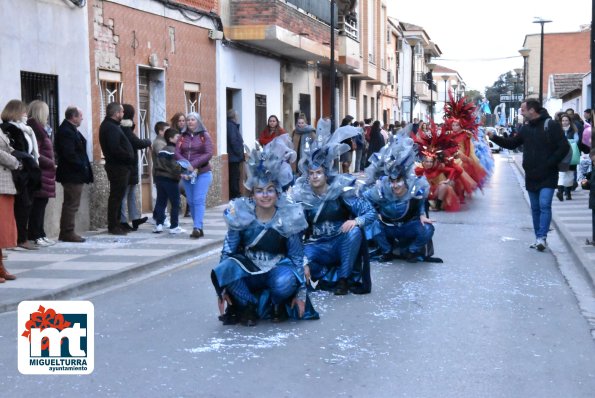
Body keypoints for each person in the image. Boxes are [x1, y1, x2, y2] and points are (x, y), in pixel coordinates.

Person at [211, 139, 317, 326]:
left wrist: (301, 293)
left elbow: (296, 257)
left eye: (270, 190)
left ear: (277, 192)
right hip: (248, 269)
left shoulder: (288, 216)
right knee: (226, 268)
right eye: (259, 191)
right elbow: (228, 252)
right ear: (252, 194)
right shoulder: (241, 215)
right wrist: (222, 288)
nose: (265, 195)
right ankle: (248, 306)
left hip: (277, 268)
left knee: (284, 281)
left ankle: (277, 304)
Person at [291, 124, 376, 295]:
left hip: (340, 242)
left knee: (355, 232)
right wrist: (304, 261)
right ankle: (319, 276)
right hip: (317, 245)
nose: (314, 176)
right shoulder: (303, 197)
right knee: (296, 262)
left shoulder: (341, 191)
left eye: (318, 172)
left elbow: (370, 212)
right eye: (311, 173)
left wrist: (356, 221)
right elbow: (295, 232)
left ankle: (343, 280)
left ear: (326, 174)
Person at [488, 99, 570, 251]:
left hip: (548, 174)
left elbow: (564, 147)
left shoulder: (550, 125)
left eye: (523, 109)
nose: (521, 112)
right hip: (531, 174)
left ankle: (542, 238)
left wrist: (550, 162)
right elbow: (512, 143)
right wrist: (494, 137)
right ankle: (538, 237)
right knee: (535, 208)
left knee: (544, 204)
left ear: (532, 110)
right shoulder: (525, 129)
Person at [363, 135, 442, 263]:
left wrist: (422, 214)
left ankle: (412, 251)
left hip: (407, 227)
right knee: (372, 224)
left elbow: (421, 199)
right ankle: (386, 251)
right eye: (392, 181)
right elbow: (365, 197)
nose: (395, 185)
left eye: (398, 181)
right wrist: (373, 213)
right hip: (387, 227)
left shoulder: (414, 187)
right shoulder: (382, 189)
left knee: (427, 228)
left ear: (405, 180)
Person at [0, 100, 41, 250]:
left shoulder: (25, 129)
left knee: (24, 205)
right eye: (23, 112)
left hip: (26, 169)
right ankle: (19, 239)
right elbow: (9, 151)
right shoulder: (9, 128)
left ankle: (17, 239)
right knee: (20, 206)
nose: (25, 115)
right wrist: (17, 162)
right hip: (16, 172)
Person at [55, 106, 93, 242]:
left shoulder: (71, 129)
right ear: (73, 117)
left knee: (71, 203)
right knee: (71, 204)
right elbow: (69, 153)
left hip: (75, 173)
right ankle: (67, 232)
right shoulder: (66, 131)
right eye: (80, 116)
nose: (82, 118)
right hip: (71, 173)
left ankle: (67, 231)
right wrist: (81, 166)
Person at [175, 112, 213, 238]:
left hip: (202, 172)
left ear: (198, 121)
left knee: (198, 200)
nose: (190, 122)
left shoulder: (204, 135)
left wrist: (194, 164)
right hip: (187, 173)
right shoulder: (182, 137)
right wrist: (186, 164)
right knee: (190, 201)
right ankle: (198, 227)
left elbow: (208, 153)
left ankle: (196, 227)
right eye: (188, 120)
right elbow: (177, 152)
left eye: (193, 119)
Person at [99, 102, 134, 235]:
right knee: (116, 197)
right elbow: (115, 149)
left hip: (120, 166)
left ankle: (117, 223)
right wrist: (128, 157)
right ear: (116, 113)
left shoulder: (112, 125)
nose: (123, 114)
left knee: (118, 196)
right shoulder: (110, 127)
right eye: (122, 112)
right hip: (117, 167)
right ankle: (113, 225)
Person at [26, 100, 56, 247]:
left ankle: (41, 233)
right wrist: (51, 163)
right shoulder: (35, 129)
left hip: (45, 173)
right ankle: (35, 235)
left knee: (41, 204)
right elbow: (35, 152)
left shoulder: (41, 129)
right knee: (37, 206)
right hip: (41, 172)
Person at [119, 104, 151, 231]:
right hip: (128, 167)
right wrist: (148, 141)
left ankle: (135, 218)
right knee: (124, 194)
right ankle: (123, 220)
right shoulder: (125, 129)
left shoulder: (126, 128)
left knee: (131, 193)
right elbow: (137, 143)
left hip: (131, 167)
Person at [153, 128, 185, 234]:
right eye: (177, 137)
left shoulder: (162, 150)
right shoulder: (174, 151)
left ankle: (159, 225)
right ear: (171, 138)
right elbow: (175, 167)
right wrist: (183, 170)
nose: (179, 138)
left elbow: (156, 164)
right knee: (175, 203)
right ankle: (174, 226)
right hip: (170, 180)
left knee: (161, 202)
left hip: (159, 178)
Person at [0, 121, 19, 282]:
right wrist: (15, 162)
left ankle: (1, 267)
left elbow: (6, 148)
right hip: (1, 181)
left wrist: (20, 156)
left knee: (3, 227)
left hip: (5, 183)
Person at [170, 113, 190, 217]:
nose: (182, 123)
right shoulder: (172, 134)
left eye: (183, 120)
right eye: (179, 121)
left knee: (188, 186)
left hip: (186, 162)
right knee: (176, 186)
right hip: (175, 162)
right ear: (175, 122)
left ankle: (189, 209)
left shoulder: (188, 133)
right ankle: (177, 209)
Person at [556, 114, 579, 201]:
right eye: (563, 120)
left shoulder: (574, 129)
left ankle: (568, 193)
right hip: (562, 156)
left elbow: (576, 140)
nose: (564, 122)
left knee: (570, 175)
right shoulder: (558, 130)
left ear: (569, 121)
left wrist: (568, 141)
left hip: (572, 155)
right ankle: (560, 192)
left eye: (566, 120)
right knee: (562, 174)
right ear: (561, 122)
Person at [226, 109, 244, 199]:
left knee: (236, 175)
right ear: (234, 117)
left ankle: (235, 193)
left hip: (234, 157)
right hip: (234, 157)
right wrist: (239, 152)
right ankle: (235, 194)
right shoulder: (231, 126)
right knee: (234, 176)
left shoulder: (231, 125)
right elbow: (233, 141)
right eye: (237, 116)